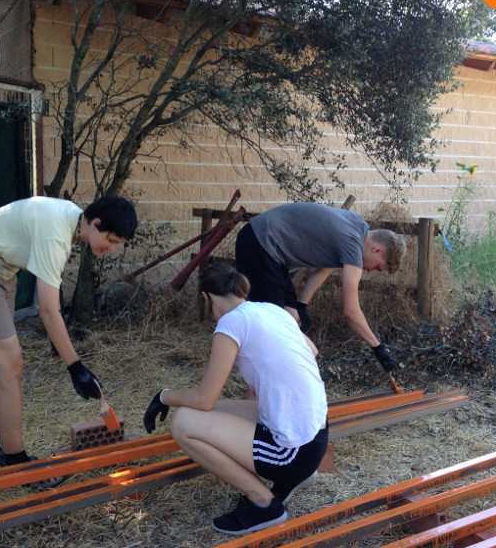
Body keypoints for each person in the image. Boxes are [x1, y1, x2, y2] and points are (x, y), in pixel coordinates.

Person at [0, 195, 137, 479]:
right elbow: (48, 309)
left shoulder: (72, 221)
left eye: (117, 244)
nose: (111, 248)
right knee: (11, 366)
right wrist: (75, 367)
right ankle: (18, 464)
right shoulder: (56, 233)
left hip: (0, 272)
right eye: (111, 240)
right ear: (95, 224)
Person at [143, 262, 328, 535]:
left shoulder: (230, 322)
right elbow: (311, 351)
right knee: (207, 413)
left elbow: (205, 398)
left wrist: (164, 396)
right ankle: (296, 476)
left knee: (183, 423)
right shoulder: (271, 310)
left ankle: (264, 504)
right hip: (317, 436)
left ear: (205, 298)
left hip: (294, 452)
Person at [234, 202, 406, 375]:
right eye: (376, 267)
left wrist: (302, 305)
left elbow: (324, 267)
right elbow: (351, 312)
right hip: (259, 244)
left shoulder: (358, 226)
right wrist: (378, 348)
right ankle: (258, 387)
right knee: (274, 325)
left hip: (269, 251)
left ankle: (281, 376)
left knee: (293, 318)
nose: (369, 271)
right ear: (377, 250)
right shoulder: (353, 246)